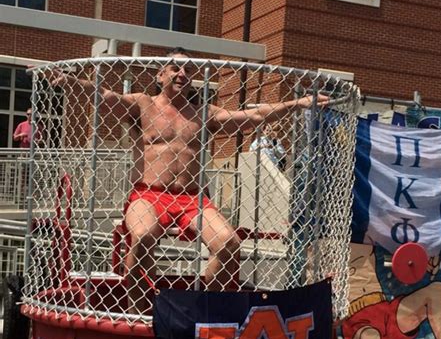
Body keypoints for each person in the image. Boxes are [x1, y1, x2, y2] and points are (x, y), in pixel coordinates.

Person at [52, 48, 329, 313]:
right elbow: (104, 96)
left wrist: (298, 103)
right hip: (148, 193)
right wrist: (70, 81)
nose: (182, 73)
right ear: (160, 75)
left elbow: (254, 115)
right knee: (142, 235)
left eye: (188, 69)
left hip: (192, 199)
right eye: (175, 68)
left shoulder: (204, 114)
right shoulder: (142, 105)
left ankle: (203, 308)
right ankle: (141, 310)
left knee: (229, 243)